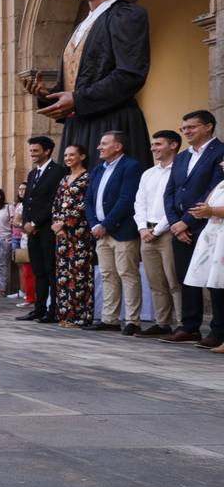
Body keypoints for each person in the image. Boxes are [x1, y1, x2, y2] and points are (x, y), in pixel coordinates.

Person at [23, 0, 151, 170]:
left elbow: (130, 74)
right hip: (79, 124)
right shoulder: (81, 26)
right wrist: (47, 95)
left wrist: (78, 99)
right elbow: (73, 85)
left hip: (113, 122)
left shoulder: (127, 14)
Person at [161, 110, 224, 345]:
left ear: (208, 127)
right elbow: (170, 191)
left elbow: (214, 190)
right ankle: (189, 326)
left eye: (191, 127)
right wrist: (175, 223)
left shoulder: (220, 152)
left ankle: (218, 330)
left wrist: (186, 221)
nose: (186, 131)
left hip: (208, 225)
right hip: (180, 227)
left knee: (215, 279)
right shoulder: (183, 156)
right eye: (183, 128)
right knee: (186, 277)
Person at [84, 130, 143, 332]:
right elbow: (88, 200)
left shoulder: (131, 166)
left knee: (128, 274)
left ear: (118, 146)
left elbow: (126, 200)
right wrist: (94, 224)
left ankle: (132, 321)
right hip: (100, 231)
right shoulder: (98, 169)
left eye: (104, 143)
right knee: (108, 275)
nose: (99, 147)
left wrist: (105, 225)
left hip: (122, 230)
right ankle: (110, 319)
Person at [133, 130, 182, 337]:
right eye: (153, 145)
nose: (153, 148)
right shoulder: (148, 173)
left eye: (158, 144)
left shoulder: (180, 170)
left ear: (173, 145)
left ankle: (183, 324)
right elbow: (139, 203)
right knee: (155, 281)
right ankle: (163, 323)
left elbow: (177, 203)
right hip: (147, 232)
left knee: (174, 280)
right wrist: (143, 228)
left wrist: (158, 229)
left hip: (169, 230)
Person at [17, 135, 63, 324]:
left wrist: (34, 223)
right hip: (32, 231)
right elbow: (28, 201)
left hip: (47, 229)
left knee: (50, 269)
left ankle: (53, 311)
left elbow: (53, 201)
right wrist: (26, 223)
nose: (32, 154)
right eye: (31, 151)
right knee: (38, 270)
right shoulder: (32, 173)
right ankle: (39, 308)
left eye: (35, 151)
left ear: (47, 151)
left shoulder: (58, 171)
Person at [183, 157, 224, 353]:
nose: (223, 165)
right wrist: (203, 211)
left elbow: (212, 208)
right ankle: (218, 332)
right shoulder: (221, 184)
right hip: (214, 239)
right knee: (215, 286)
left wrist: (211, 210)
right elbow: (207, 204)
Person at [53, 144, 95, 328]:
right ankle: (64, 315)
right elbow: (56, 204)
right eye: (66, 155)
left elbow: (85, 203)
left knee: (79, 275)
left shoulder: (88, 177)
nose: (68, 158)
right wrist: (57, 225)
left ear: (82, 156)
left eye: (72, 155)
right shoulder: (63, 179)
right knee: (63, 273)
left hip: (79, 233)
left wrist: (66, 222)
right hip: (61, 235)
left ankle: (80, 317)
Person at [11, 182, 36, 307]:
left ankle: (37, 297)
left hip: (39, 237)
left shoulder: (37, 202)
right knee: (27, 269)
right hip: (25, 239)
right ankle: (30, 297)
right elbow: (15, 222)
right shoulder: (21, 205)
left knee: (39, 270)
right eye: (19, 189)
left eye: (24, 189)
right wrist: (25, 226)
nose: (21, 191)